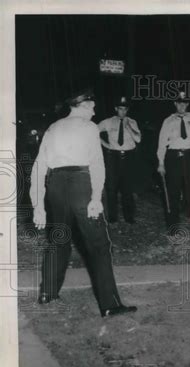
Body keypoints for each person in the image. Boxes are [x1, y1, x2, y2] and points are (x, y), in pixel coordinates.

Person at [30, 90, 137, 317]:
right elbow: (97, 164)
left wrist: (38, 205)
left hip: (56, 187)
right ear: (82, 105)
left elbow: (38, 168)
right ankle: (110, 305)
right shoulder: (89, 128)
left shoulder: (53, 127)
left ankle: (47, 294)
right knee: (99, 246)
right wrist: (96, 197)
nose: (95, 111)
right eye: (92, 107)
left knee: (59, 241)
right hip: (81, 183)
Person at [157, 92, 190, 233]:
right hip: (173, 158)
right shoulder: (168, 121)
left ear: (188, 104)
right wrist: (161, 162)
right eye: (179, 103)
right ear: (175, 103)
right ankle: (173, 227)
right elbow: (161, 144)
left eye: (184, 103)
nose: (182, 105)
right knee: (173, 194)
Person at [98, 96, 141, 224]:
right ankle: (112, 217)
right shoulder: (108, 122)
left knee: (127, 188)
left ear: (127, 110)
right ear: (116, 109)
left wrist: (128, 127)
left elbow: (138, 139)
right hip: (113, 157)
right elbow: (93, 131)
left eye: (125, 109)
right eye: (120, 109)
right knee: (111, 188)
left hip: (128, 157)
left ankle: (129, 216)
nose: (123, 111)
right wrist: (105, 145)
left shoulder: (132, 122)